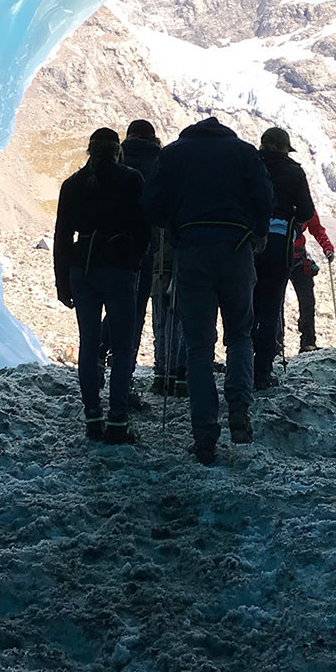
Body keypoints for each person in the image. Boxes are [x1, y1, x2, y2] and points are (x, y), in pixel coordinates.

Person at [141, 116, 273, 465]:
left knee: (199, 346)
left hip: (192, 250)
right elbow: (265, 196)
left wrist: (174, 226)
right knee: (240, 335)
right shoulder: (244, 153)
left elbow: (151, 204)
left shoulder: (172, 155)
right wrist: (258, 231)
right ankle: (239, 409)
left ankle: (204, 437)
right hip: (237, 248)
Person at [53, 127, 150, 445]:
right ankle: (118, 421)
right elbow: (143, 228)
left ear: (90, 151)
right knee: (122, 349)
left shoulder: (72, 184)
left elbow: (62, 237)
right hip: (119, 268)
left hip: (82, 268)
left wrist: (62, 281)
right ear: (117, 150)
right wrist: (135, 258)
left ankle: (92, 418)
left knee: (89, 343)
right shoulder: (132, 179)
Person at [120, 119, 182, 398]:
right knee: (164, 310)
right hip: (156, 248)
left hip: (113, 248)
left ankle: (113, 368)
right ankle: (167, 372)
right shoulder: (163, 162)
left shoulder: (114, 160)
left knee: (122, 312)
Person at [251, 127, 316, 389]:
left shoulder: (249, 165)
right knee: (270, 307)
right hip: (280, 246)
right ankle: (263, 372)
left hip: (246, 244)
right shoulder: (293, 171)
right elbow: (306, 211)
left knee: (244, 305)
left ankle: (240, 366)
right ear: (284, 148)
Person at [289, 211, 335, 351]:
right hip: (296, 258)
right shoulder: (303, 204)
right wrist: (327, 247)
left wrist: (327, 247)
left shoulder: (277, 200)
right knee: (306, 301)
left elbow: (316, 228)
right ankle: (307, 342)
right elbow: (316, 228)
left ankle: (277, 344)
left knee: (305, 301)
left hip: (283, 257)